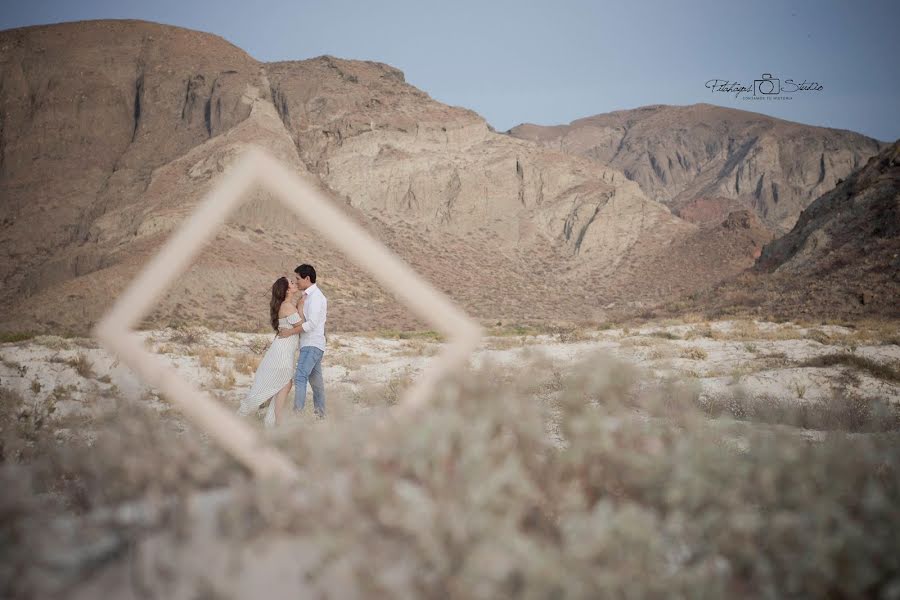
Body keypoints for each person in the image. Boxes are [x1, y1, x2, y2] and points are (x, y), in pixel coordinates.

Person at [237, 276, 304, 427]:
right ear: (287, 290)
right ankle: (272, 421)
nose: (294, 283)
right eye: (291, 283)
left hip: (282, 351)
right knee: (276, 385)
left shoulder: (287, 305)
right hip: (281, 353)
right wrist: (302, 304)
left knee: (285, 385)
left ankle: (272, 422)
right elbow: (304, 326)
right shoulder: (287, 306)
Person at [278, 264, 327, 417]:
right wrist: (300, 307)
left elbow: (311, 324)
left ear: (307, 278)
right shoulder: (308, 297)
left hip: (312, 344)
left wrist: (290, 332)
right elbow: (305, 320)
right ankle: (321, 415)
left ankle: (297, 416)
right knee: (316, 383)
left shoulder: (316, 297)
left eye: (298, 279)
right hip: (311, 344)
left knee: (300, 377)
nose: (296, 281)